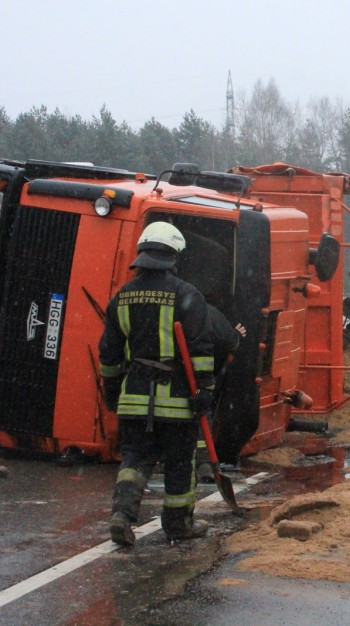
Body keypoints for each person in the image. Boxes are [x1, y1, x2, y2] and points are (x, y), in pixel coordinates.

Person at [99, 222, 216, 546]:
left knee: (134, 459)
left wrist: (111, 391)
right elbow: (200, 350)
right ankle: (178, 525)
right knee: (180, 462)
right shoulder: (186, 294)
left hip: (133, 397)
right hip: (176, 398)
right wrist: (204, 390)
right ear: (174, 255)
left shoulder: (121, 297)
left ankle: (122, 515)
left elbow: (108, 353)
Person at [195, 305, 246, 483]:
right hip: (198, 379)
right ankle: (204, 465)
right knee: (201, 414)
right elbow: (228, 340)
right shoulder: (206, 311)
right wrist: (236, 336)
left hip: (164, 380)